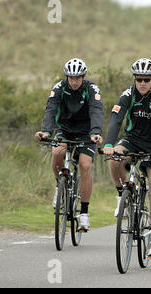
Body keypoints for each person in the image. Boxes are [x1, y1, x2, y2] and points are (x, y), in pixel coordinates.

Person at [103, 58, 151, 259]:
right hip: (132, 140)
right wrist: (108, 144)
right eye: (139, 79)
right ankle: (121, 196)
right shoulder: (127, 95)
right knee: (115, 158)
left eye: (146, 80)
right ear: (134, 79)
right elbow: (116, 119)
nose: (142, 83)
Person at [35, 58, 104, 232]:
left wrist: (96, 132)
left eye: (78, 78)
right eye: (71, 78)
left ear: (83, 77)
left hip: (87, 133)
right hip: (64, 129)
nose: (74, 81)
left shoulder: (91, 89)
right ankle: (60, 187)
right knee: (57, 151)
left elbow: (97, 110)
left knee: (85, 165)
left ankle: (84, 214)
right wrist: (46, 132)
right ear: (66, 77)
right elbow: (51, 110)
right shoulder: (59, 88)